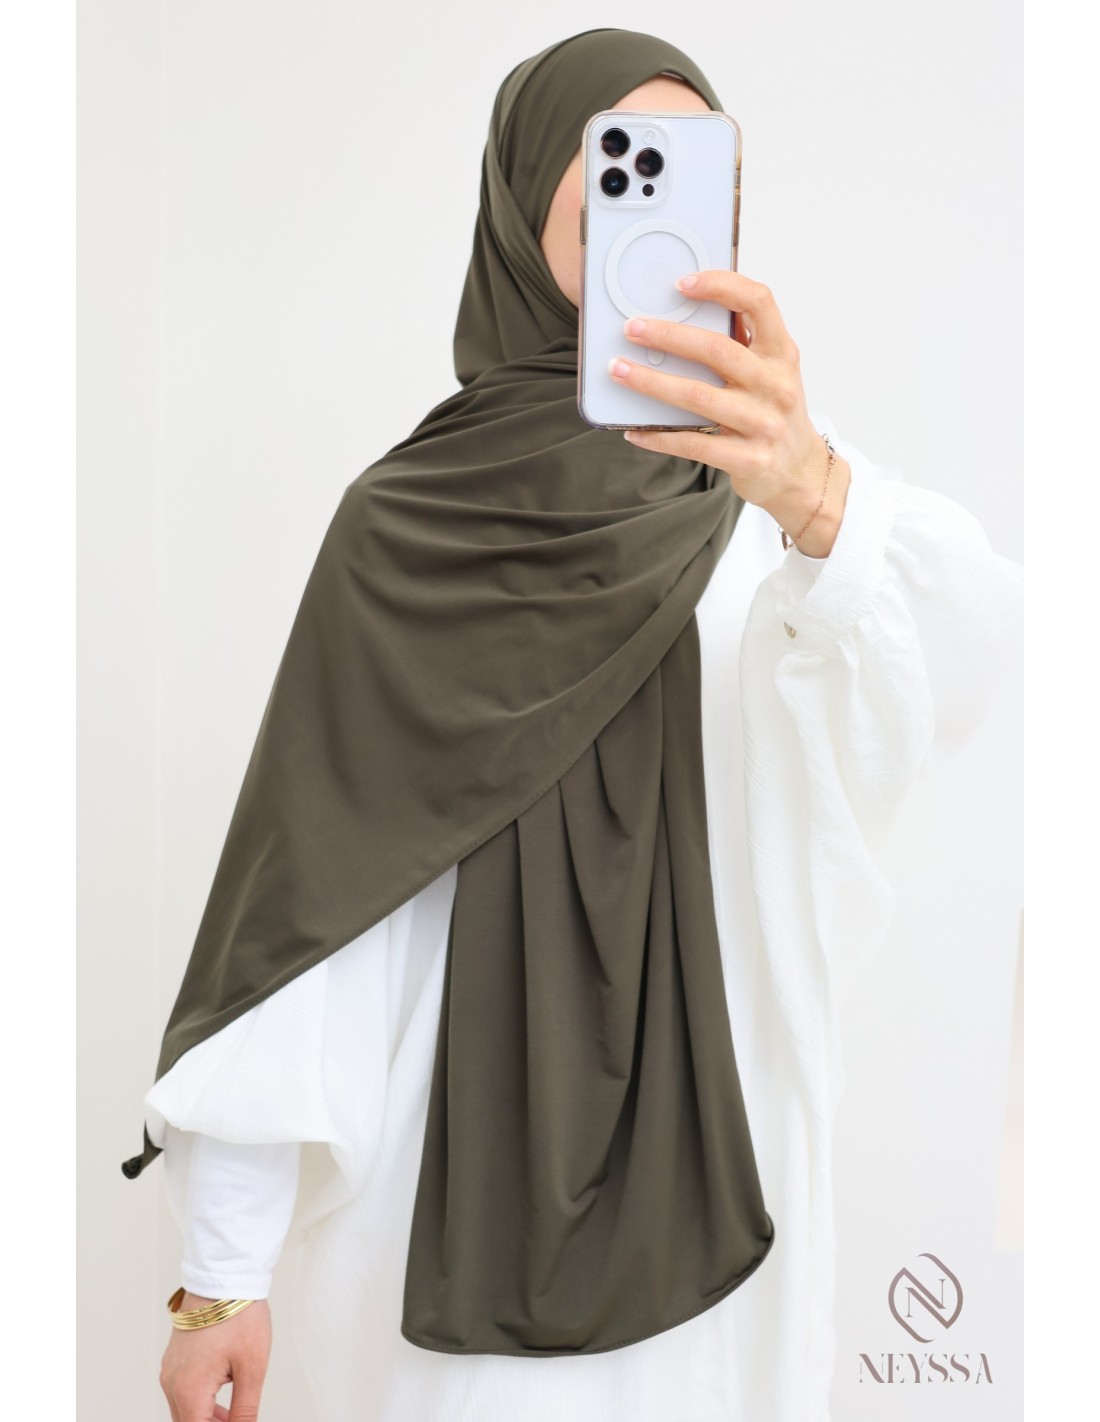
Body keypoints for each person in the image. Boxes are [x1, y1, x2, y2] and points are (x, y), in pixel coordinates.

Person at [134, 27, 1021, 1422]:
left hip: (734, 1203)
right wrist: (219, 1274)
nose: (658, 213)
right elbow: (305, 916)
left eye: (701, 179)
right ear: (518, 200)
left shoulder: (784, 499)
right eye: (620, 170)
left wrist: (817, 494)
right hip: (432, 1212)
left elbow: (969, 667)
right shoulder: (403, 527)